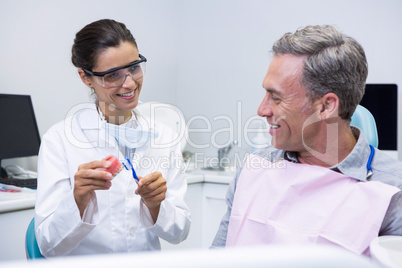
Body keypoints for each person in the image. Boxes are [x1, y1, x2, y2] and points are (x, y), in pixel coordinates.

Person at [211, 25, 402, 255]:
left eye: (276, 98)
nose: (262, 110)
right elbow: (217, 259)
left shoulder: (392, 191)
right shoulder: (255, 170)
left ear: (326, 106)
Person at [35, 19, 191, 257]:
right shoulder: (59, 140)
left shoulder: (164, 137)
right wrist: (77, 200)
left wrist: (155, 205)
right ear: (86, 78)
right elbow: (48, 246)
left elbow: (180, 232)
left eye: (134, 68)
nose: (129, 83)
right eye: (112, 75)